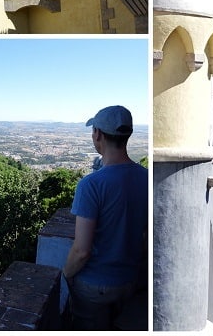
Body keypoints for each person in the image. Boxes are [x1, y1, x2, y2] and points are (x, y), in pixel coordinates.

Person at [63, 105, 148, 330]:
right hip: (129, 281)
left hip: (94, 286)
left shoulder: (91, 185)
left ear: (98, 134)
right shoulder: (146, 178)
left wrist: (66, 275)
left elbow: (82, 251)